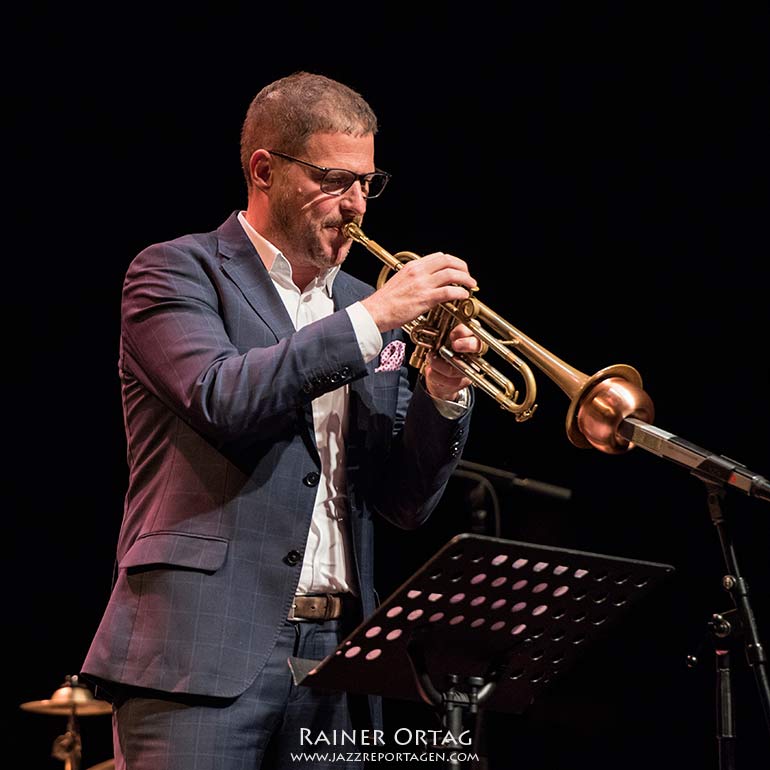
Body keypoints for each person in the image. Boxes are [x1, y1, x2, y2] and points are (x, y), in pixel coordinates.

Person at [81, 70, 479, 770]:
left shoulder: (362, 305)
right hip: (200, 650)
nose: (357, 205)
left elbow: (402, 503)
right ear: (264, 170)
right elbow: (220, 396)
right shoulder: (177, 272)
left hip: (339, 661)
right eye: (335, 179)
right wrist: (373, 318)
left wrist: (442, 390)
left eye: (367, 182)